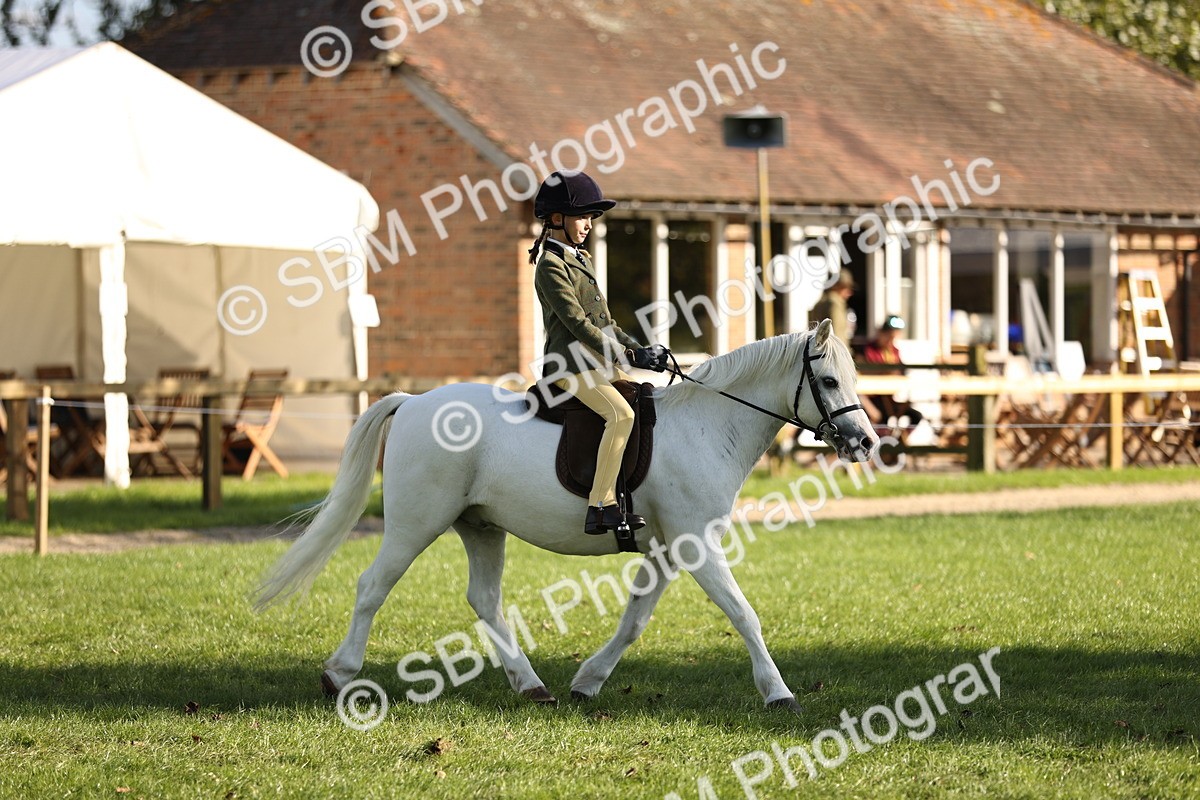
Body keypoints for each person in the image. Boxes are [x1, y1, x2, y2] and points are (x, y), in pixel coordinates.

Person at [529, 171, 667, 535]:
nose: (588, 225)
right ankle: (600, 504)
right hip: (568, 367)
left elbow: (605, 322)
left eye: (591, 217)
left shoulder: (581, 260)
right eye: (581, 217)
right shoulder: (550, 266)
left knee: (642, 403)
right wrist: (623, 355)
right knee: (620, 414)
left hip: (595, 364)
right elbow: (577, 324)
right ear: (556, 219)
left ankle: (630, 494)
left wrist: (642, 351)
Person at [862, 315, 923, 428]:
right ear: (881, 333)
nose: (890, 340)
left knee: (916, 416)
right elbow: (869, 372)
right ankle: (885, 442)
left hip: (890, 397)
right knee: (883, 417)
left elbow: (900, 370)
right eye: (888, 336)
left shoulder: (894, 351)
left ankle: (900, 442)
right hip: (874, 398)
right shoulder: (869, 350)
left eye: (893, 337)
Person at [811, 271, 856, 344]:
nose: (849, 293)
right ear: (837, 286)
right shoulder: (834, 304)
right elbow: (836, 335)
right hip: (833, 350)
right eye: (846, 288)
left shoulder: (820, 303)